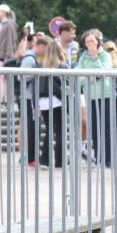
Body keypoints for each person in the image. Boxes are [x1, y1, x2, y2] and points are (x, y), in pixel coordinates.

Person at [77, 29, 114, 167]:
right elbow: (78, 76)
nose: (90, 44)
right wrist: (92, 77)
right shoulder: (83, 57)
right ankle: (98, 159)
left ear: (98, 42)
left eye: (92, 41)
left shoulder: (105, 55)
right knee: (94, 129)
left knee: (106, 128)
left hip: (105, 95)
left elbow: (103, 71)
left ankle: (108, 160)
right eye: (87, 41)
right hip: (90, 96)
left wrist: (95, 57)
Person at [38, 40, 67, 168]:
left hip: (43, 102)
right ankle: (60, 161)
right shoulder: (62, 66)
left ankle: (45, 160)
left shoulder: (42, 67)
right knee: (60, 131)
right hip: (57, 101)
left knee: (49, 130)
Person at [20, 35, 47, 167]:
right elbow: (22, 76)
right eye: (46, 49)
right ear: (41, 47)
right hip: (29, 97)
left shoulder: (32, 57)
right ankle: (31, 158)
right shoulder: (30, 58)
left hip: (31, 96)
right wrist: (38, 73)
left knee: (34, 126)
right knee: (32, 126)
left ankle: (31, 156)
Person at [0, 4, 18, 102]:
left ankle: (2, 100)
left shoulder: (9, 24)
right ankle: (4, 100)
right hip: (0, 56)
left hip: (4, 56)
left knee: (1, 77)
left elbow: (10, 40)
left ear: (4, 12)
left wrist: (8, 56)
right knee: (2, 77)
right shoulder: (0, 25)